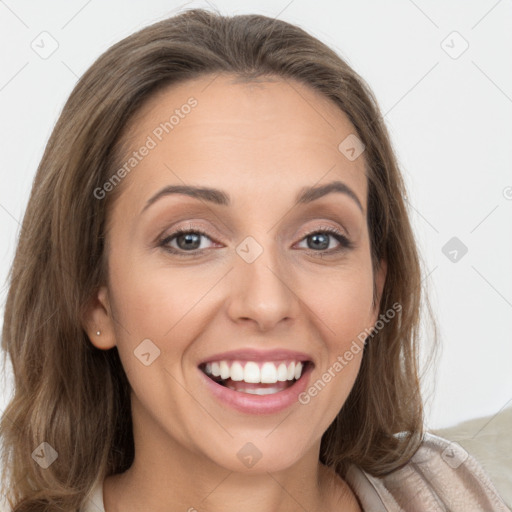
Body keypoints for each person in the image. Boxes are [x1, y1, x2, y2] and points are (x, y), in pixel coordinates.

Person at [0, 8, 509, 512]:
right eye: (191, 240)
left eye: (319, 240)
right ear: (96, 302)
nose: (266, 304)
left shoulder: (458, 492)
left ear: (375, 292)